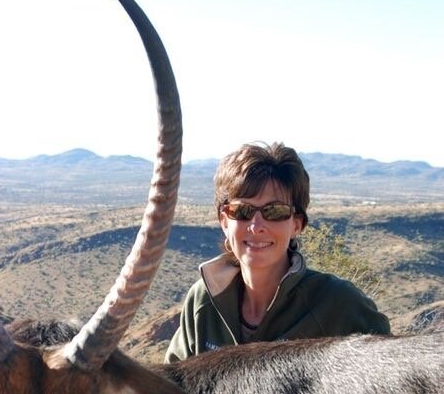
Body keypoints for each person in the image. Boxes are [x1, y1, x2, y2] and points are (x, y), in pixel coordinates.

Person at [165, 142, 390, 362]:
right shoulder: (203, 300)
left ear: (297, 225)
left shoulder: (338, 303)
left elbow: (395, 381)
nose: (256, 226)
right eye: (241, 210)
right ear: (224, 221)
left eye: (274, 211)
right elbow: (172, 389)